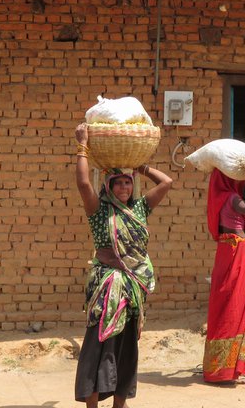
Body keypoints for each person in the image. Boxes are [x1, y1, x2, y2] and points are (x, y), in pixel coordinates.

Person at [73, 123, 173, 408]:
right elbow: (82, 184)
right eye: (119, 183)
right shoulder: (99, 210)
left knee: (127, 346)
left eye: (128, 182)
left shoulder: (139, 209)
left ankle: (120, 403)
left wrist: (140, 167)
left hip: (132, 287)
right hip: (107, 286)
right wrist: (82, 146)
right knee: (99, 343)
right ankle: (92, 404)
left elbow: (166, 183)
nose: (125, 187)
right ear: (109, 186)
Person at [203, 159, 245, 384]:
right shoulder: (232, 198)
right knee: (237, 307)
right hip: (239, 252)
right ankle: (230, 370)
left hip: (229, 250)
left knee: (227, 305)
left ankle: (226, 368)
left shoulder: (219, 199)